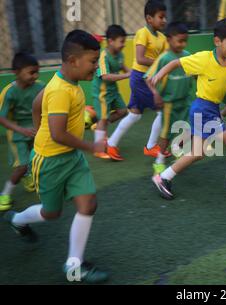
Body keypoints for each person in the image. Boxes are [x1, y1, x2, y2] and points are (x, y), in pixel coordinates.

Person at [3, 30, 109, 283]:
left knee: (89, 204)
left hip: (71, 159)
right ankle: (17, 220)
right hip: (49, 162)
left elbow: (37, 103)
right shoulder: (61, 90)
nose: (96, 67)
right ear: (73, 60)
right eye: (93, 61)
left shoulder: (63, 83)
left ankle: (74, 265)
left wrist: (40, 127)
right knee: (52, 213)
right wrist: (90, 147)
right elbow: (59, 134)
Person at [150, 19, 226, 200]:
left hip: (208, 109)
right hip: (203, 109)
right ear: (217, 41)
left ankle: (164, 177)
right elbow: (176, 63)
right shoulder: (204, 58)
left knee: (198, 153)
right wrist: (158, 75)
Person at [106, 0, 168, 161]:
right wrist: (160, 63)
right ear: (149, 18)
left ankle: (111, 144)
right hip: (140, 79)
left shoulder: (162, 37)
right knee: (164, 111)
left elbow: (168, 56)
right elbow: (140, 59)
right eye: (161, 17)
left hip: (149, 79)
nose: (164, 21)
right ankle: (150, 146)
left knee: (134, 115)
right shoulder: (142, 33)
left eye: (165, 17)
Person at [144, 22, 193, 175]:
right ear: (169, 39)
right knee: (165, 134)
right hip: (169, 104)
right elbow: (148, 78)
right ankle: (159, 161)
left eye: (185, 41)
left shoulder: (187, 56)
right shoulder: (164, 58)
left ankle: (177, 148)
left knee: (190, 129)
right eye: (180, 40)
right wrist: (156, 94)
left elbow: (196, 72)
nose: (183, 44)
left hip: (186, 101)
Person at [0, 53, 44, 211]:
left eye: (37, 72)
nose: (35, 76)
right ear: (16, 72)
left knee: (41, 159)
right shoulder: (9, 92)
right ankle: (5, 194)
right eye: (31, 72)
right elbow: (2, 117)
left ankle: (29, 178)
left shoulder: (40, 87)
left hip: (37, 131)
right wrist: (21, 130)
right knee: (22, 166)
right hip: (18, 134)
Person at [91, 25, 130, 160]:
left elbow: (124, 68)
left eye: (124, 41)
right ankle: (98, 148)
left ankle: (99, 128)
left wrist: (135, 74)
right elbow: (105, 76)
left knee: (123, 111)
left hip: (113, 91)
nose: (123, 45)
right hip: (102, 93)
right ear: (111, 41)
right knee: (103, 118)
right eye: (121, 42)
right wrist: (126, 76)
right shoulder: (103, 56)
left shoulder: (120, 55)